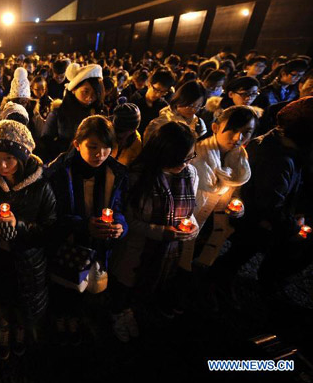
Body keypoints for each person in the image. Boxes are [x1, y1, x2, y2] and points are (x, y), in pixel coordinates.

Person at [209, 97, 313, 305]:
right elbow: (269, 203)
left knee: (241, 252)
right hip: (254, 220)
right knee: (240, 252)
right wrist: (293, 228)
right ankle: (217, 282)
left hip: (260, 216)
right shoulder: (278, 160)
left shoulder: (282, 145)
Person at [0, 120, 56, 360]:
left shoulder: (40, 187)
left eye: (9, 158)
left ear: (23, 156)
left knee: (23, 302)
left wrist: (19, 227)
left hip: (29, 260)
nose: (2, 165)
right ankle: (3, 329)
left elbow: (50, 227)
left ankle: (19, 331)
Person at [111, 122, 199, 339]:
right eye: (182, 158)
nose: (187, 163)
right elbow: (129, 220)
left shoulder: (190, 174)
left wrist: (193, 226)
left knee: (151, 284)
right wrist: (162, 232)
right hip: (136, 249)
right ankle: (118, 314)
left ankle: (134, 310)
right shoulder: (137, 177)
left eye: (191, 157)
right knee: (125, 286)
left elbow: (190, 210)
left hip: (168, 250)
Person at [45, 115, 127, 345]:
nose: (100, 154)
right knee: (64, 285)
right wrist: (83, 225)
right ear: (76, 144)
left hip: (97, 245)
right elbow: (51, 216)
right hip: (67, 243)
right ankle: (61, 316)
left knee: (87, 287)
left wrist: (120, 226)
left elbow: (119, 208)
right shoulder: (59, 172)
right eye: (92, 147)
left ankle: (76, 316)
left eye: (106, 147)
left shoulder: (115, 173)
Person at [179, 106, 261, 275]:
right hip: (190, 218)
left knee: (199, 263)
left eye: (246, 132)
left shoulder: (240, 157)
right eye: (233, 130)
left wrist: (238, 206)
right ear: (215, 127)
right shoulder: (196, 154)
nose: (238, 138)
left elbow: (236, 192)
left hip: (215, 222)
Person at [42, 63, 106, 161]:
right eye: (85, 92)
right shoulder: (58, 113)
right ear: (73, 89)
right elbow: (46, 143)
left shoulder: (100, 112)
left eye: (95, 93)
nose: (89, 97)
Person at [143, 80, 207, 142]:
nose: (193, 110)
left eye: (198, 106)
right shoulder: (161, 121)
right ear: (180, 99)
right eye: (190, 105)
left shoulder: (199, 124)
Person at [130, 69, 175, 136]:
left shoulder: (163, 106)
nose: (158, 95)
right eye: (156, 89)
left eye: (163, 92)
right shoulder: (135, 99)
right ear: (149, 84)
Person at [110, 101, 143, 166]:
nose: (119, 134)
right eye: (117, 130)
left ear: (133, 130)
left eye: (123, 131)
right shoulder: (105, 132)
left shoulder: (136, 144)